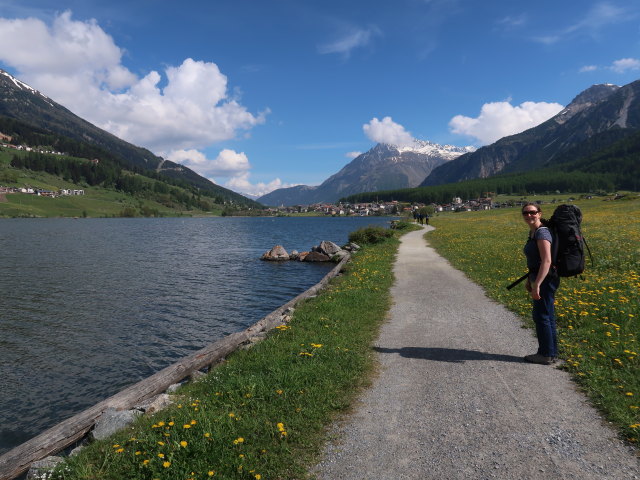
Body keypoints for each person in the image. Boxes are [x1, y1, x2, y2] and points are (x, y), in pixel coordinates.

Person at [521, 203, 559, 365]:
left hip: (546, 279)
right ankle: (551, 352)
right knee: (547, 315)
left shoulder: (542, 232)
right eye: (526, 213)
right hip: (540, 277)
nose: (529, 215)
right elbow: (535, 261)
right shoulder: (534, 232)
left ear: (539, 213)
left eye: (533, 212)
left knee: (541, 316)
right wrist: (531, 280)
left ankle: (545, 354)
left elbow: (547, 261)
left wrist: (537, 284)